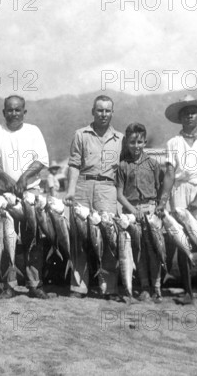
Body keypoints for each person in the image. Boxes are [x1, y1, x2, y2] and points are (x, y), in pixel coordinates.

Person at [156, 95, 197, 304]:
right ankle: (188, 292)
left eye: (192, 111)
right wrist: (162, 200)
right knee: (182, 241)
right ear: (180, 117)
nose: (189, 115)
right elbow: (169, 174)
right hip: (179, 194)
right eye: (185, 112)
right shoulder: (173, 143)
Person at [0, 95, 50, 299]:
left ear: (24, 112)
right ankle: (8, 284)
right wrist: (6, 178)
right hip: (5, 196)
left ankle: (34, 283)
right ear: (4, 112)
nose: (14, 113)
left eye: (18, 110)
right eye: (10, 110)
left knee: (33, 239)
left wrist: (24, 178)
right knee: (5, 240)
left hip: (31, 193)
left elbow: (41, 160)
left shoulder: (33, 131)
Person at [64, 95, 123, 298]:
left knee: (109, 237)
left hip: (108, 189)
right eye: (100, 110)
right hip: (83, 185)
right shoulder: (81, 134)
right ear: (93, 111)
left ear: (112, 113)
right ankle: (79, 286)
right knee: (79, 237)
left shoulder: (120, 139)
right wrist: (71, 191)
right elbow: (73, 165)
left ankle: (109, 287)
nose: (103, 114)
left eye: (107, 110)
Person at [116, 123, 163, 301]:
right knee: (139, 249)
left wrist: (159, 208)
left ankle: (157, 287)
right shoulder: (123, 166)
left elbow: (160, 191)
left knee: (154, 250)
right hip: (131, 212)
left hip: (150, 211)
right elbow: (119, 195)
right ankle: (144, 286)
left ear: (145, 142)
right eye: (132, 142)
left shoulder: (153, 164)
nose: (136, 146)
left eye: (140, 142)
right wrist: (133, 210)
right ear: (127, 142)